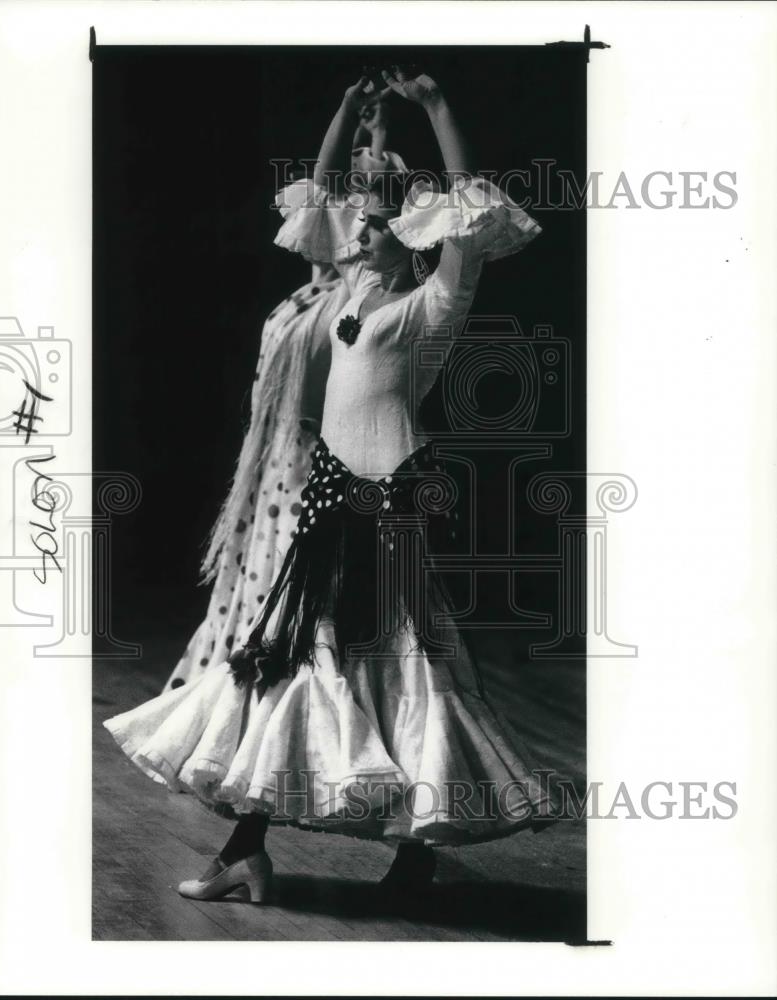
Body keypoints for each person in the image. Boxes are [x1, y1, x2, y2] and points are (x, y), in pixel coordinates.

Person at [104, 67, 549, 905]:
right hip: (330, 495)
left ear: (413, 240)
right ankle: (247, 847)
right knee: (285, 665)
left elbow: (463, 210)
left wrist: (440, 110)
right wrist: (349, 117)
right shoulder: (345, 298)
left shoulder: (433, 306)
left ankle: (410, 850)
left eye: (379, 226)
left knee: (399, 672)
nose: (362, 231)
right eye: (364, 225)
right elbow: (327, 206)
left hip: (389, 504)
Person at [164, 100, 407, 691]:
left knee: (295, 572)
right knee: (258, 563)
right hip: (273, 458)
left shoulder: (351, 304)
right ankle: (237, 673)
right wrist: (353, 115)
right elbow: (317, 193)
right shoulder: (309, 296)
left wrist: (381, 141)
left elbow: (351, 201)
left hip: (319, 459)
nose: (348, 223)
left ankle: (290, 689)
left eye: (365, 218)